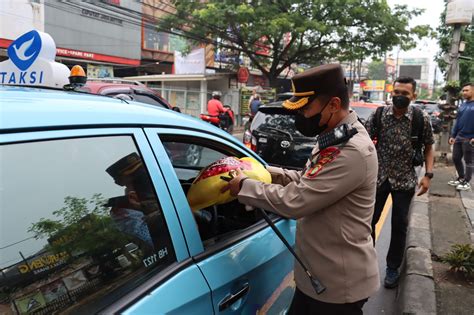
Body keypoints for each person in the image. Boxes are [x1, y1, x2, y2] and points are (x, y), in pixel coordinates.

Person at [223, 64, 379, 314]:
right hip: (319, 277)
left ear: (333, 104)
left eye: (307, 107)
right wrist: (262, 172)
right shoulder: (335, 136)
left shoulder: (352, 151)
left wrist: (244, 186)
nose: (304, 115)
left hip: (338, 287)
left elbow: (296, 201)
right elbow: (306, 178)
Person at [365, 76, 434, 289]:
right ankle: (365, 264)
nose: (400, 97)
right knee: (367, 223)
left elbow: (429, 147)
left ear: (413, 96)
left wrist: (428, 175)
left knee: (399, 225)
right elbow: (364, 142)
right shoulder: (379, 115)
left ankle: (393, 267)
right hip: (379, 178)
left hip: (404, 181)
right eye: (397, 92)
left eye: (405, 94)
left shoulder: (421, 119)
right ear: (391, 92)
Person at [448, 82, 474, 191]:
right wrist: (453, 135)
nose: (464, 92)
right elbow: (457, 121)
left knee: (469, 161)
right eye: (463, 90)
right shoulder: (462, 105)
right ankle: (461, 177)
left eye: (466, 90)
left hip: (470, 138)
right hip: (459, 137)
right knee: (456, 158)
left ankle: (466, 182)